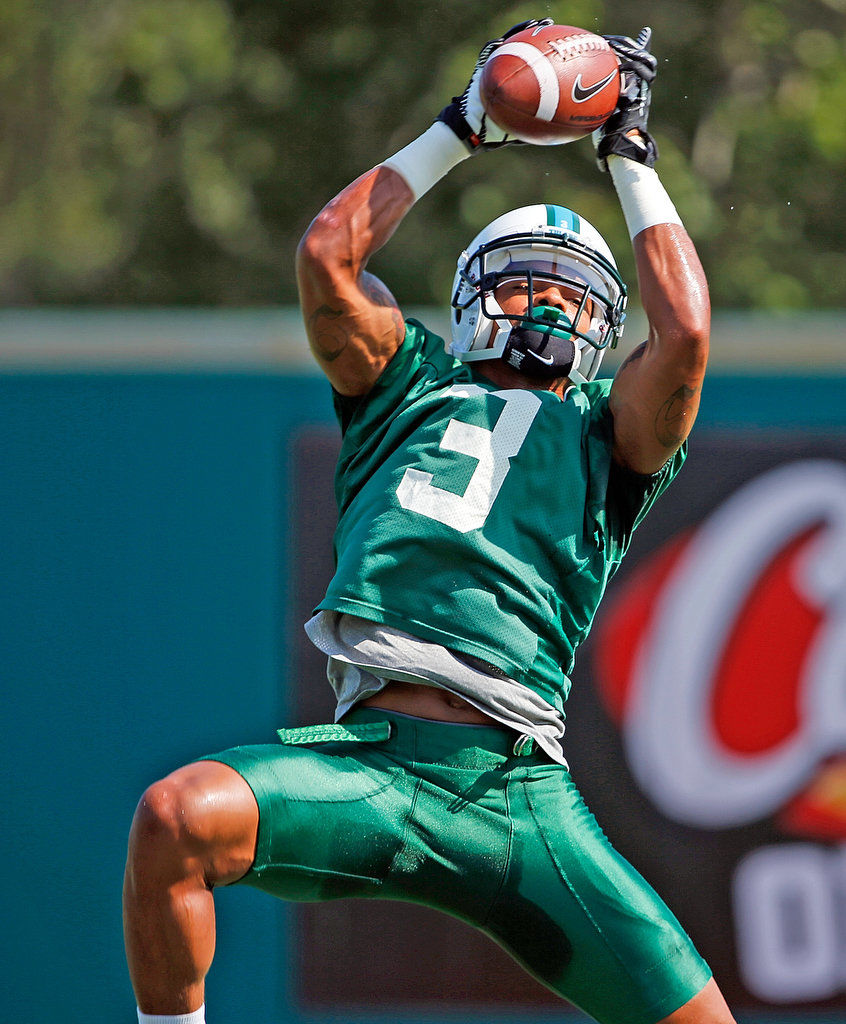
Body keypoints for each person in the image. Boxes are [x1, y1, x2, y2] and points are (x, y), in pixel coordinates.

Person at [123, 21, 736, 1024]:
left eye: (570, 291)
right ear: (469, 298)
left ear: (599, 327)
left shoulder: (606, 438)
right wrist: (463, 126)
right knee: (173, 820)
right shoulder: (404, 381)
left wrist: (629, 157)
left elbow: (689, 331)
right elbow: (330, 255)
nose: (545, 302)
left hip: (518, 794)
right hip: (372, 762)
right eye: (524, 277)